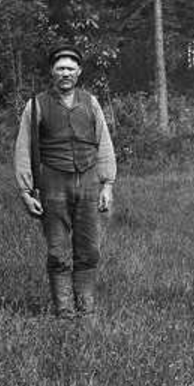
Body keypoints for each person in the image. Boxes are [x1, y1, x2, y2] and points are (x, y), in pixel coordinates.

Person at [13, 43, 116, 319]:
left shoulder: (90, 103)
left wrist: (107, 185)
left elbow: (104, 144)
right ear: (52, 72)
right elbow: (23, 149)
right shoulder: (36, 105)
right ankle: (64, 309)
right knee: (58, 249)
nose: (66, 73)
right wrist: (26, 191)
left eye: (71, 68)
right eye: (60, 68)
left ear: (79, 72)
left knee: (89, 248)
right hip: (53, 184)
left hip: (89, 182)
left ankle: (86, 306)